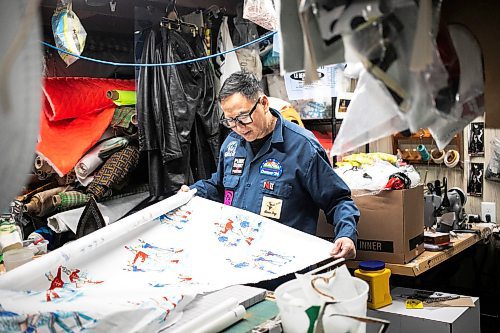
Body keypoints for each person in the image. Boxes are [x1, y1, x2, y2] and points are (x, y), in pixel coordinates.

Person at [180, 71, 359, 259]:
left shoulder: (303, 148)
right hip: (238, 259)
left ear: (264, 103)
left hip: (284, 267)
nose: (239, 127)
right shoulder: (232, 144)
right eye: (230, 121)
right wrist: (193, 192)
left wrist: (347, 235)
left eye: (243, 117)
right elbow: (219, 186)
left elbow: (338, 200)